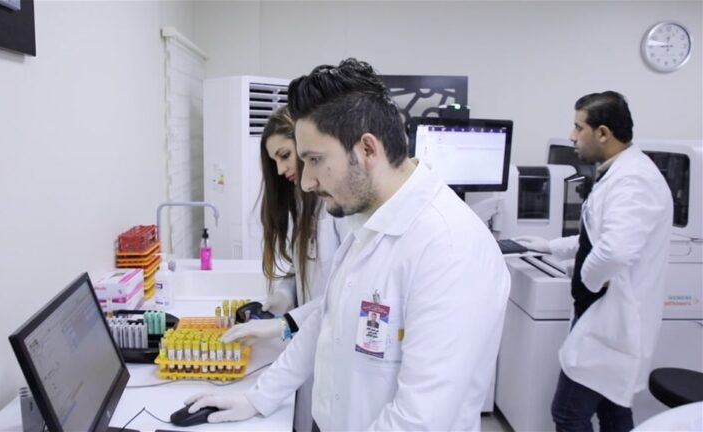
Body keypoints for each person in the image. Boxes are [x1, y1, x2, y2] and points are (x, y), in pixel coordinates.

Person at [183, 58, 510, 431]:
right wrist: (257, 398)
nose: (306, 181)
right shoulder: (366, 224)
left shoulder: (450, 248)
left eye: (315, 160)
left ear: (367, 149)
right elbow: (326, 323)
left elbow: (419, 420)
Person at [516, 91, 673, 431]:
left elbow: (614, 252)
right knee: (613, 411)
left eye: (578, 127)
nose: (572, 136)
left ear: (603, 133)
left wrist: (585, 282)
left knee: (568, 413)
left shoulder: (633, 180)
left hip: (613, 323)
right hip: (610, 321)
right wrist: (551, 246)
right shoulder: (622, 171)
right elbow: (600, 238)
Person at [218, 105, 348, 432]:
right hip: (307, 346)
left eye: (284, 155)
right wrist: (283, 296)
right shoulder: (306, 203)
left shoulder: (339, 210)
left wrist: (283, 325)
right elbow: (305, 270)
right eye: (274, 161)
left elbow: (344, 296)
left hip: (334, 352)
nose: (279, 169)